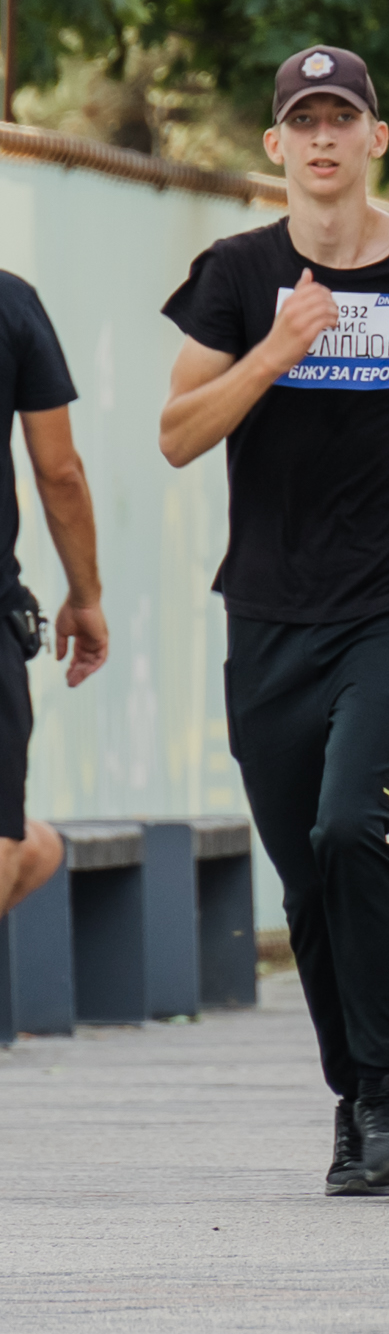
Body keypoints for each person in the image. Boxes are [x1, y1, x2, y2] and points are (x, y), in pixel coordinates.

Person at [159, 45, 389, 1196]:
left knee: (348, 827)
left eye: (341, 118)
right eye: (301, 121)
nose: (322, 138)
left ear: (375, 139)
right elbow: (176, 432)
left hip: (387, 600)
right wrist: (277, 345)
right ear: (275, 146)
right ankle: (357, 1100)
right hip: (266, 611)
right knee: (306, 881)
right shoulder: (237, 272)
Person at [0, 276, 110, 919]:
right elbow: (59, 471)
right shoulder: (11, 303)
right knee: (19, 848)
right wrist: (85, 594)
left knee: (28, 847)